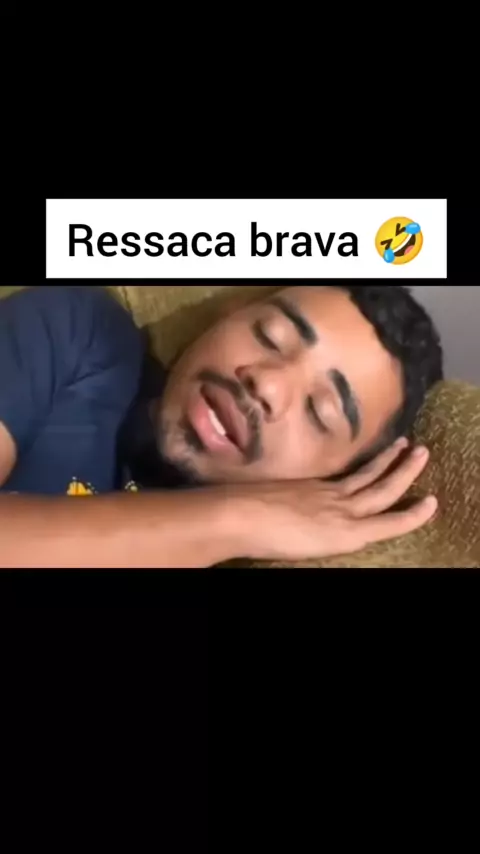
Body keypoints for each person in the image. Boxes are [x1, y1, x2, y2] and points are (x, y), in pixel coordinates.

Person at [0, 284, 443, 568]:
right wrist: (235, 520)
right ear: (228, 314)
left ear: (332, 480)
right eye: (270, 335)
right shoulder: (77, 333)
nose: (267, 384)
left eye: (319, 411)